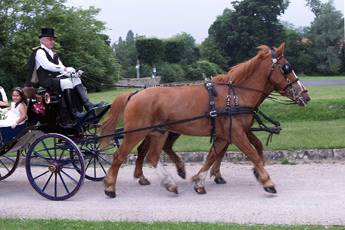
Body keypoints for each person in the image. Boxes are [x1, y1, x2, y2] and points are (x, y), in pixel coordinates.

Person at [26, 28, 101, 119]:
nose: (53, 41)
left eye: (53, 39)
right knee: (67, 82)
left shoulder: (54, 53)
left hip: (56, 79)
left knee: (75, 78)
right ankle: (74, 113)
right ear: (43, 40)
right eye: (50, 39)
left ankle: (88, 105)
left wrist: (73, 73)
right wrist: (65, 68)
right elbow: (48, 66)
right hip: (46, 80)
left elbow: (62, 69)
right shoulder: (39, 52)